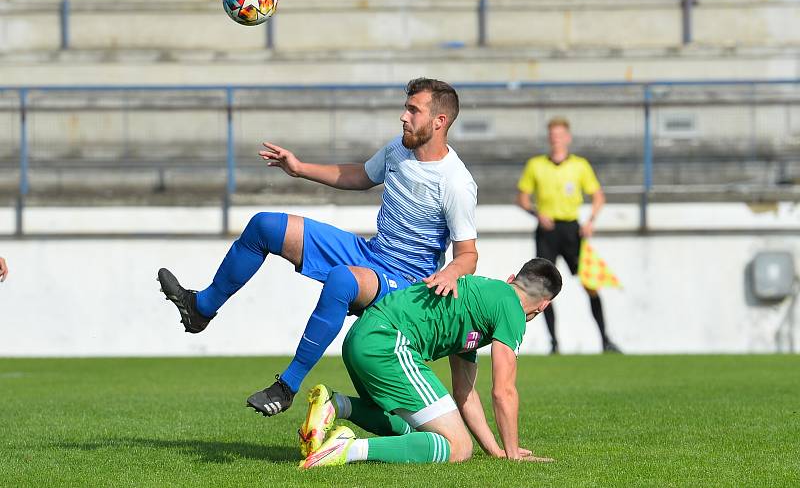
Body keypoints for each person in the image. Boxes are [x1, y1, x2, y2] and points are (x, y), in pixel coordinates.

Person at [157, 78, 478, 417]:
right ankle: (201, 308)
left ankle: (286, 387)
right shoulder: (398, 150)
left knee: (341, 279)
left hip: (407, 284)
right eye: (405, 108)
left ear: (439, 121)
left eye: (413, 110)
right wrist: (299, 169)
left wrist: (453, 272)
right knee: (265, 226)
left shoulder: (456, 182)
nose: (403, 117)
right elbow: (360, 176)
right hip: (371, 253)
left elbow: (468, 254)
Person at [297, 257, 562, 469]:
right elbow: (504, 391)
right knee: (458, 447)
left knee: (412, 428)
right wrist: (514, 454)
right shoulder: (512, 307)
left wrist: (496, 450)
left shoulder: (482, 299)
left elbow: (464, 392)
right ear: (544, 305)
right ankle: (347, 449)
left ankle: (334, 405)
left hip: (361, 336)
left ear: (512, 279)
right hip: (388, 341)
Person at [515, 116, 621, 354]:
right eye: (553, 135)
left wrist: (591, 220)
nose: (556, 139)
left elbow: (598, 197)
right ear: (549, 138)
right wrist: (536, 213)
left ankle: (605, 340)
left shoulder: (580, 165)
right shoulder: (536, 165)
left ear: (568, 138)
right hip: (547, 231)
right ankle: (554, 344)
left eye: (560, 135)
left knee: (590, 284)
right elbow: (521, 198)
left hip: (572, 230)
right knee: (541, 287)